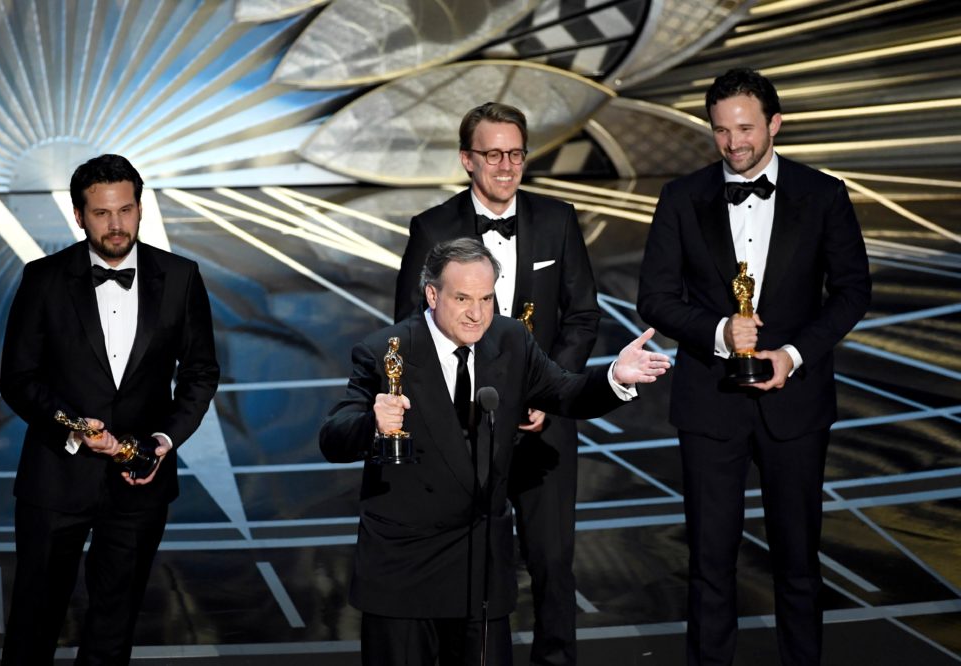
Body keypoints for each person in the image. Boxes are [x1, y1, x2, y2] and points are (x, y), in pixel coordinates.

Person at [323, 238, 669, 666]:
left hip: (480, 562)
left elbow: (565, 392)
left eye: (487, 298)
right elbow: (333, 436)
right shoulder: (387, 351)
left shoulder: (509, 339)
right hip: (404, 568)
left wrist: (616, 376)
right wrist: (371, 425)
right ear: (432, 295)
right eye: (463, 298)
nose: (477, 313)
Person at [636, 68, 871, 665]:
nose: (733, 142)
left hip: (796, 405)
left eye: (744, 128)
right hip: (710, 406)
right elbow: (655, 298)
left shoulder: (823, 195)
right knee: (710, 563)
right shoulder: (681, 198)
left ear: (774, 124)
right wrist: (719, 331)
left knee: (798, 562)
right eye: (720, 131)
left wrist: (792, 356)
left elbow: (851, 292)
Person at [394, 102, 600, 666]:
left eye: (516, 153)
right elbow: (412, 331)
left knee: (554, 565)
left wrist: (547, 389)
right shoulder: (432, 229)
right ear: (467, 160)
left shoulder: (558, 219)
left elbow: (582, 316)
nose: (506, 166)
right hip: (464, 436)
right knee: (472, 566)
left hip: (544, 430)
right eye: (492, 154)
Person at [0, 154, 220, 665]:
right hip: (56, 478)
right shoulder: (43, 279)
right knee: (35, 620)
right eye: (101, 213)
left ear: (141, 208)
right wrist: (74, 428)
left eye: (125, 210)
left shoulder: (182, 277)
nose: (116, 225)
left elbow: (200, 373)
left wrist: (161, 443)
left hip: (140, 481)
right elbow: (17, 378)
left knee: (114, 624)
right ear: (79, 215)